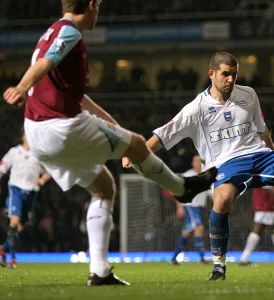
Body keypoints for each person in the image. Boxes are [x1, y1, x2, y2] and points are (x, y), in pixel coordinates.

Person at [3, 0, 216, 286]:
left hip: (38, 132)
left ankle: (99, 270)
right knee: (139, 145)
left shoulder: (51, 30)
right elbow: (46, 63)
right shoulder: (70, 33)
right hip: (62, 127)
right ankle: (182, 188)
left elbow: (76, 96)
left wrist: (114, 125)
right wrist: (21, 86)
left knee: (103, 187)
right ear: (91, 5)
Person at [123, 52, 274, 281]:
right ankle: (218, 266)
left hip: (261, 156)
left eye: (234, 74)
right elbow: (163, 136)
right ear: (211, 74)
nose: (231, 80)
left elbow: (261, 129)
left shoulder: (248, 94)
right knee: (222, 199)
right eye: (225, 74)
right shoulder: (196, 109)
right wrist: (137, 153)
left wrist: (272, 154)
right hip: (227, 164)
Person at [0, 132, 51, 268]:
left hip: (31, 192)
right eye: (26, 134)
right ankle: (13, 259)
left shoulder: (39, 155)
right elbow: (2, 168)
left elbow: (49, 171)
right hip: (15, 189)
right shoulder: (14, 152)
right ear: (22, 136)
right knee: (15, 221)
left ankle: (3, 249)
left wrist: (41, 180)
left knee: (20, 226)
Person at [168, 155, 212, 265]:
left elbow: (211, 195)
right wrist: (179, 207)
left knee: (187, 233)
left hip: (199, 208)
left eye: (198, 162)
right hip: (190, 206)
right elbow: (175, 190)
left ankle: (173, 258)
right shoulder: (187, 176)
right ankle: (202, 258)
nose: (196, 164)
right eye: (195, 162)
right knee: (199, 227)